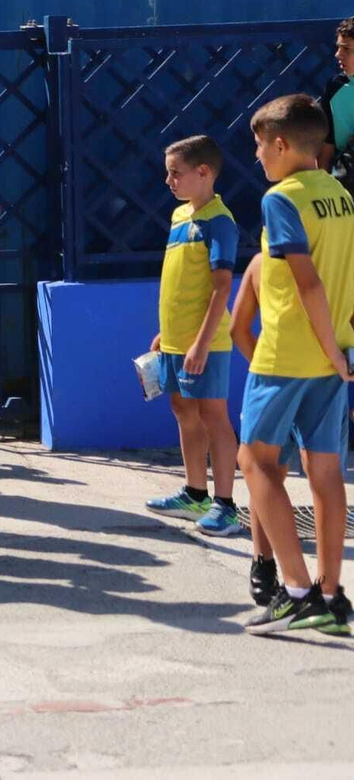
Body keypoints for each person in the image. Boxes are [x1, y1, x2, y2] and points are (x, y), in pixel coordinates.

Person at [236, 94, 354, 634]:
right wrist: (339, 351)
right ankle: (334, 597)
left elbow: (306, 280)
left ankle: (298, 591)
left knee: (254, 462)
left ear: (282, 144)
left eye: (261, 146)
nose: (257, 156)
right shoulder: (342, 194)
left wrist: (328, 346)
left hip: (287, 353)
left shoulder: (280, 199)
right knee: (326, 472)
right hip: (336, 358)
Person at [141, 134, 242, 536]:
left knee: (213, 416)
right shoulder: (180, 217)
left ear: (203, 173)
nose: (169, 181)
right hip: (176, 342)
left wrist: (201, 342)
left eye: (175, 173)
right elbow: (182, 282)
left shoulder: (220, 222)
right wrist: (167, 333)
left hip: (206, 344)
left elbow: (221, 287)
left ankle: (227, 505)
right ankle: (195, 492)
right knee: (183, 411)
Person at [228, 252, 286, 607]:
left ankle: (265, 565)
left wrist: (263, 364)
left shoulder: (262, 262)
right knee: (323, 477)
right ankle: (325, 586)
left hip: (274, 379)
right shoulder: (336, 261)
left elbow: (238, 329)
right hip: (323, 378)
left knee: (263, 471)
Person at [314, 16, 354, 184]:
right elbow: (326, 144)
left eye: (346, 49)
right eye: (338, 47)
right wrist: (322, 188)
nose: (338, 54)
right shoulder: (335, 87)